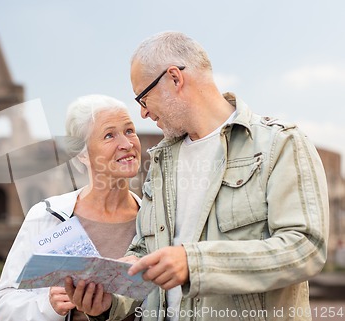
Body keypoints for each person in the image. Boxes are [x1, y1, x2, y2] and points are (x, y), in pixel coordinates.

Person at [66, 32, 329, 321]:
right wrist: (108, 303)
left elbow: (305, 247)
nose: (142, 113)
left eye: (143, 97)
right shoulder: (161, 162)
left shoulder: (280, 144)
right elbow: (144, 254)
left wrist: (195, 263)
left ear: (175, 79)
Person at [0, 94, 142, 321]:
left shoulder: (154, 218)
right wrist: (49, 306)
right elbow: (3, 300)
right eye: (109, 135)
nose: (127, 144)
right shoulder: (46, 216)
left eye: (129, 131)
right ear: (81, 153)